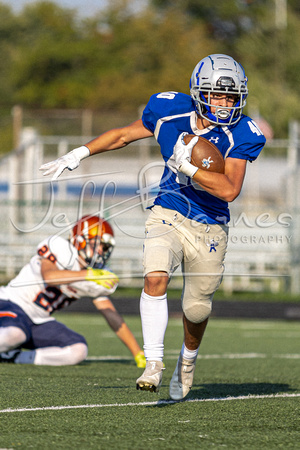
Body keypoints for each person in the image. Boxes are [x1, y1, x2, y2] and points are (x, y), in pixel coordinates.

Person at [39, 54, 266, 399]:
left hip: (209, 225)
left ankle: (187, 361)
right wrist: (78, 154)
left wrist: (188, 169)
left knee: (196, 308)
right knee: (154, 276)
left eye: (231, 97)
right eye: (217, 96)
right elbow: (122, 136)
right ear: (199, 92)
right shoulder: (169, 110)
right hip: (168, 211)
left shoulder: (243, 132)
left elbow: (230, 190)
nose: (224, 104)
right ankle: (154, 362)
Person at [0, 215, 146, 368]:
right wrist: (87, 275)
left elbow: (110, 313)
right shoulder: (61, 248)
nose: (101, 252)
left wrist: (137, 352)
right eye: (98, 245)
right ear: (81, 239)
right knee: (15, 334)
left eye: (105, 248)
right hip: (10, 303)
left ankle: (15, 357)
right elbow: (49, 277)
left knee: (78, 350)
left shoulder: (93, 273)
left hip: (39, 320)